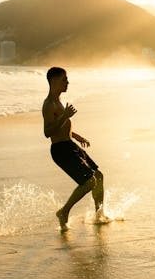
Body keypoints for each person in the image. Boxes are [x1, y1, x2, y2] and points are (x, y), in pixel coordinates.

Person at [43, 66, 107, 231]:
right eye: (64, 79)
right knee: (89, 182)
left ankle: (99, 214)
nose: (67, 82)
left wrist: (76, 136)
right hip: (60, 150)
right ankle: (63, 212)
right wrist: (65, 116)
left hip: (70, 145)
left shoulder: (59, 102)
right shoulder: (49, 104)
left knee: (98, 176)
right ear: (54, 81)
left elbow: (63, 128)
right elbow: (47, 132)